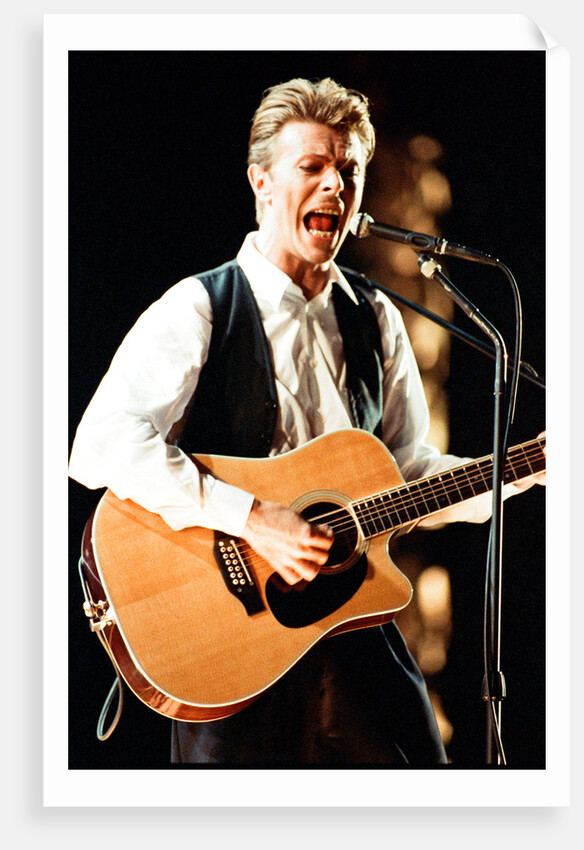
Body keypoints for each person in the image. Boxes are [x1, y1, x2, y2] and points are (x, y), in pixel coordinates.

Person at [69, 77, 545, 766]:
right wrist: (253, 517)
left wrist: (527, 466)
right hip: (233, 639)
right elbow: (100, 445)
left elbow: (409, 472)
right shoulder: (199, 307)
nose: (334, 186)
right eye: (312, 167)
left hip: (352, 627)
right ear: (261, 182)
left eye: (347, 170)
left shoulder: (376, 316)